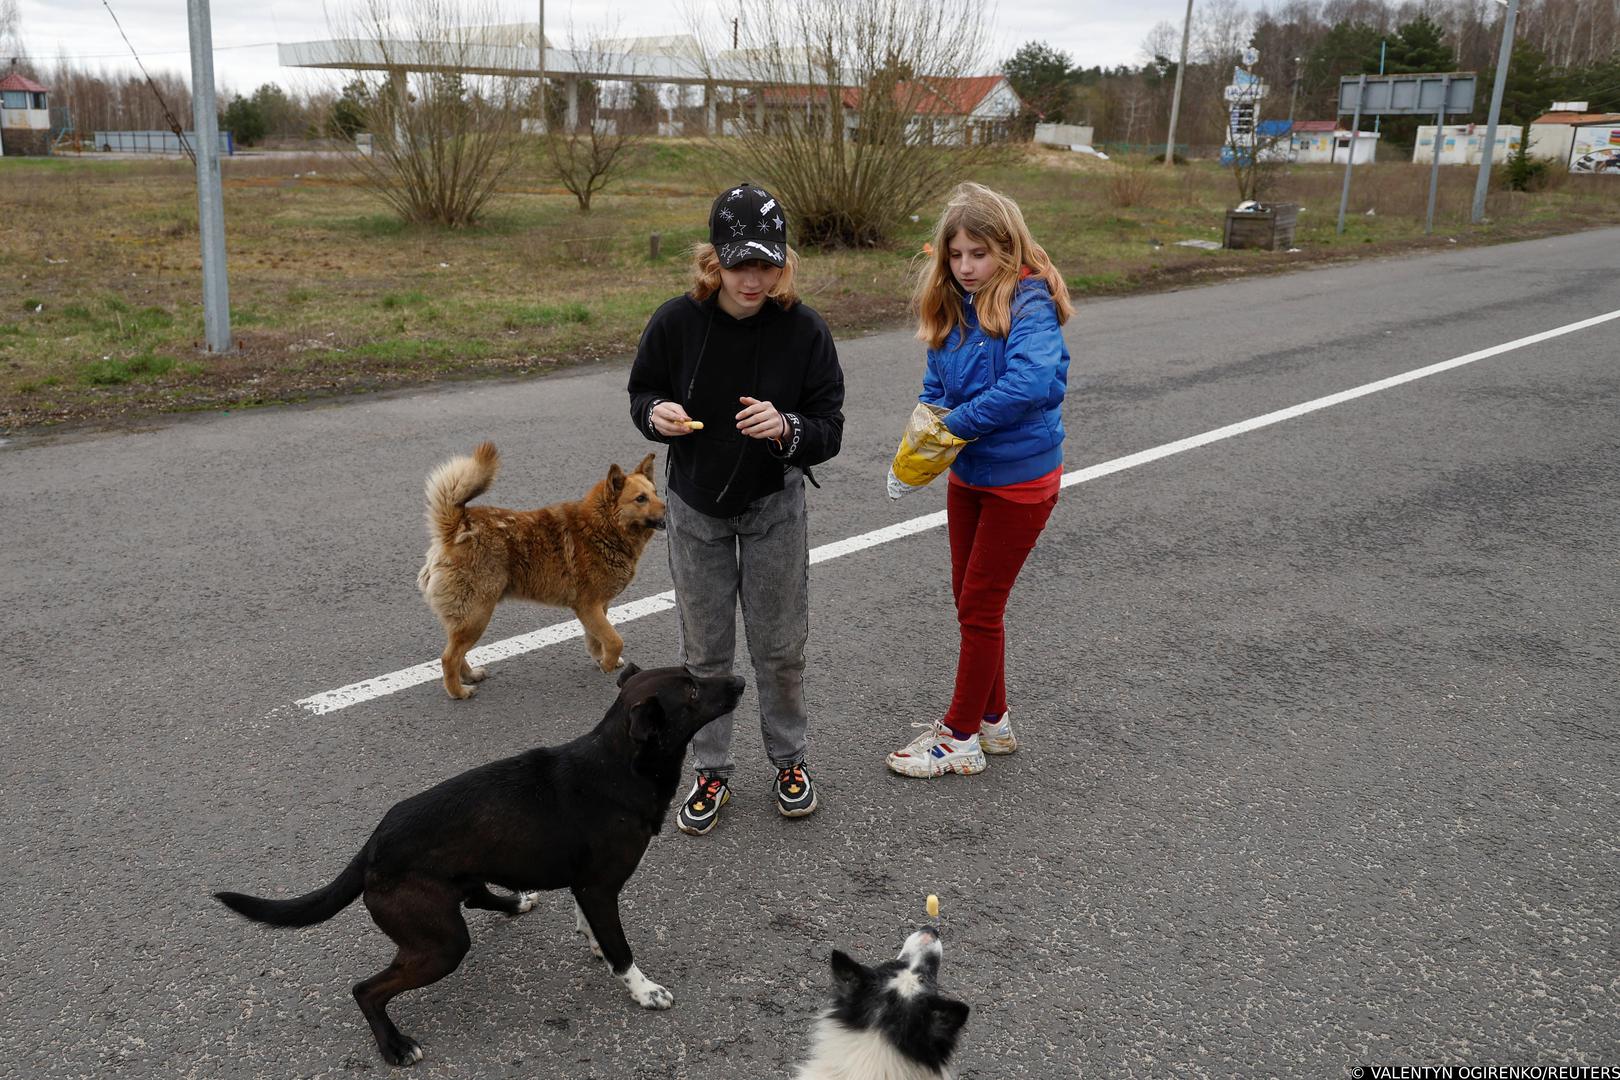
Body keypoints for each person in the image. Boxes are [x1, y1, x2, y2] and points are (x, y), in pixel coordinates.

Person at [628, 182, 845, 833]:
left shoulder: (804, 330)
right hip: (696, 511)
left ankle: (789, 759)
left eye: (767, 264)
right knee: (706, 655)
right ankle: (712, 770)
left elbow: (829, 424)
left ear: (783, 264)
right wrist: (654, 416)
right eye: (739, 263)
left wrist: (787, 428)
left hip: (774, 505)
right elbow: (644, 393)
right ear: (712, 259)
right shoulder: (675, 322)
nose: (753, 279)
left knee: (780, 646)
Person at [885, 182, 1074, 779]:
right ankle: (993, 720)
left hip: (1021, 479)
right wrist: (925, 432)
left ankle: (957, 738)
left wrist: (955, 427)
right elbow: (937, 383)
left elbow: (1031, 385)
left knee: (980, 606)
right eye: (956, 255)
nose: (967, 268)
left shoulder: (1031, 303)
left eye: (980, 254)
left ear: (1008, 249)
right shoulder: (952, 304)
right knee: (970, 602)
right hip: (969, 475)